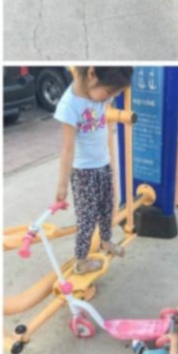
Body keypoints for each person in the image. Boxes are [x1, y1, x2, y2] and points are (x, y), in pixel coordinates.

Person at [54, 66, 133, 274]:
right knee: (87, 219)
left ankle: (106, 241)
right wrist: (62, 185)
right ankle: (81, 261)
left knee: (108, 208)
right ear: (91, 74)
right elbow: (67, 149)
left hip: (103, 164)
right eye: (109, 93)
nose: (109, 99)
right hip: (84, 173)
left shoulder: (97, 93)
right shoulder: (69, 106)